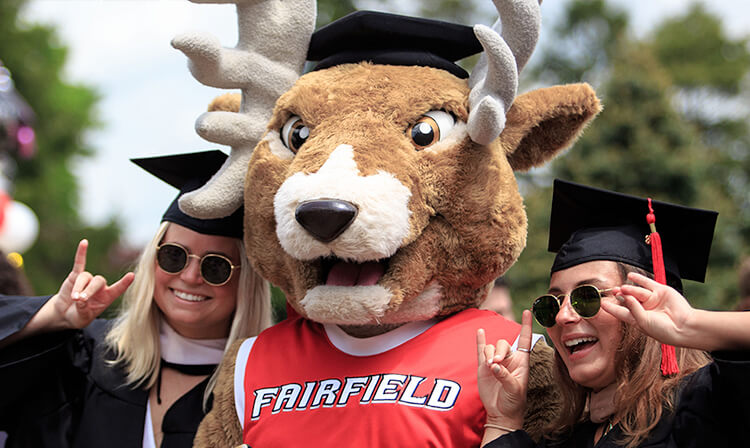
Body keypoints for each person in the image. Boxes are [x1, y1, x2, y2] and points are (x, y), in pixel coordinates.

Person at [0, 150, 272, 447]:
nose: (191, 276)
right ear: (152, 261)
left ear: (247, 281)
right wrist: (52, 314)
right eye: (174, 256)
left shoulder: (259, 395)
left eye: (215, 265)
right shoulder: (89, 356)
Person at [477, 179, 750, 447]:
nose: (563, 317)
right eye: (552, 304)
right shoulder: (564, 439)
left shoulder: (707, 404)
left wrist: (689, 324)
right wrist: (502, 421)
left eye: (587, 297)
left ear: (647, 305)